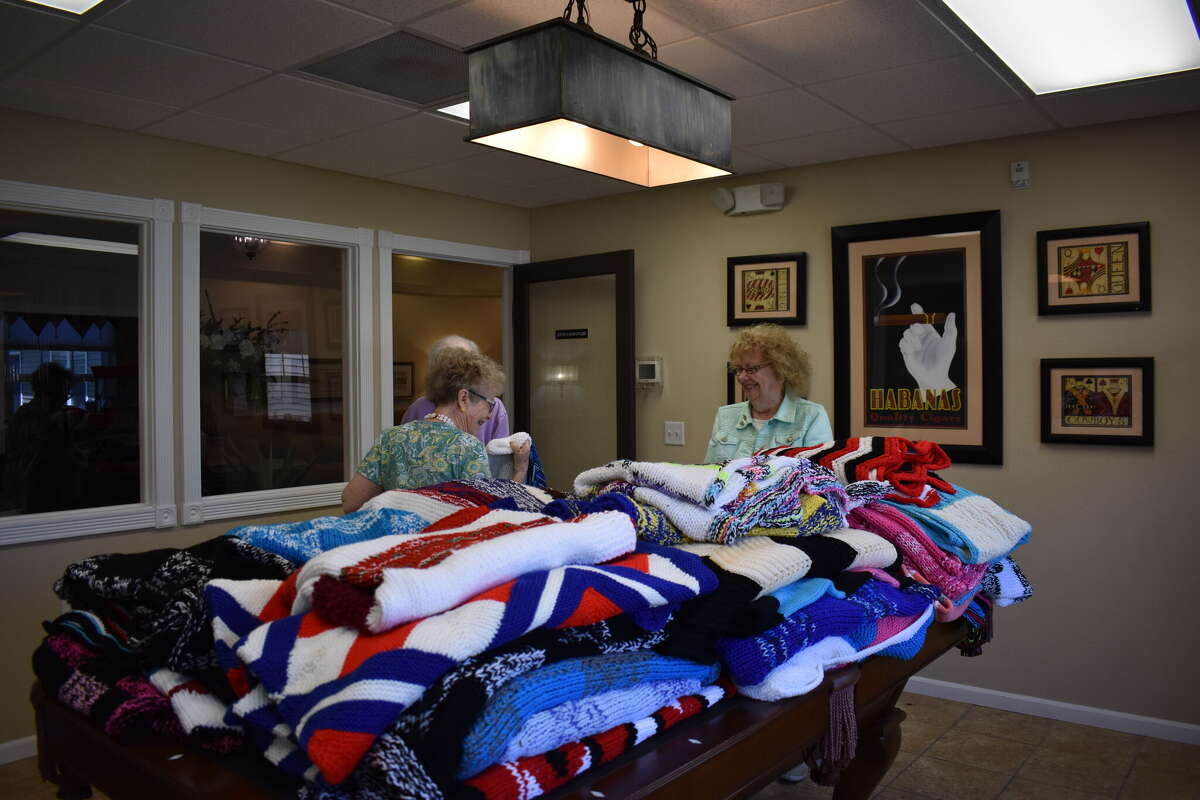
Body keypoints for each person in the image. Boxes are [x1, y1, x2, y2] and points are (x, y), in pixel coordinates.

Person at [341, 349, 529, 512]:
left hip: (398, 540)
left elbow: (351, 501)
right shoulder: (468, 448)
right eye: (490, 403)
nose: (489, 414)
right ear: (463, 398)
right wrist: (520, 470)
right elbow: (486, 517)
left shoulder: (390, 438)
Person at [704, 324, 832, 463]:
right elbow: (709, 473)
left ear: (780, 370)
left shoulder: (811, 416)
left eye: (751, 369)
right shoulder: (725, 416)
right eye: (739, 369)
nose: (741, 377)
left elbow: (819, 475)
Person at [401, 335, 510, 442]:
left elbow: (501, 451)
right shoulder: (417, 407)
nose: (456, 371)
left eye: (466, 364)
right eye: (449, 364)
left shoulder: (494, 407)